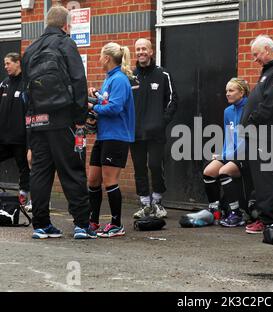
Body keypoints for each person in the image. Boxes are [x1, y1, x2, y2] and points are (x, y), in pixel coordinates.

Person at [22, 6, 96, 239]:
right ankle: (82, 225)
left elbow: (26, 92)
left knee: (40, 173)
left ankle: (41, 225)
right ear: (66, 25)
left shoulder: (30, 49)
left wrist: (30, 128)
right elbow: (78, 81)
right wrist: (80, 119)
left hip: (36, 122)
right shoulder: (66, 44)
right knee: (72, 169)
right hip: (63, 120)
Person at [240, 35, 273, 234]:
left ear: (267, 49)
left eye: (256, 54)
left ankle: (269, 220)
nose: (255, 59)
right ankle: (266, 218)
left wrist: (252, 119)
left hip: (267, 133)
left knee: (267, 178)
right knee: (261, 177)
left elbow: (271, 105)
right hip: (258, 133)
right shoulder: (270, 70)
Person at [87, 42, 135, 238]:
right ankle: (93, 221)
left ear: (107, 58)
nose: (99, 60)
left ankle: (116, 225)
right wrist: (95, 97)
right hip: (104, 135)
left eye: (100, 56)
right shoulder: (109, 79)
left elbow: (114, 108)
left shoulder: (120, 80)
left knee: (110, 181)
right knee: (93, 180)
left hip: (117, 136)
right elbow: (106, 102)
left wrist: (91, 108)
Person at [130, 38, 177, 219]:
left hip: (156, 132)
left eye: (144, 49)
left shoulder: (163, 74)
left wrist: (162, 121)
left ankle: (157, 202)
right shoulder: (130, 76)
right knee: (139, 168)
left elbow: (173, 100)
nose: (141, 52)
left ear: (151, 52)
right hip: (135, 132)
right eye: (138, 49)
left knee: (155, 165)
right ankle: (144, 204)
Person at [203, 78, 251, 227]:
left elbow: (246, 139)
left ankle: (236, 214)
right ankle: (215, 210)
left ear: (241, 92)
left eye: (231, 90)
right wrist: (222, 154)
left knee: (224, 171)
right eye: (226, 91)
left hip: (247, 154)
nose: (227, 94)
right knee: (209, 171)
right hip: (231, 154)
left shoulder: (250, 108)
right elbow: (228, 137)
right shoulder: (228, 111)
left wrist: (230, 156)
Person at [0, 53, 30, 205]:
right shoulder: (4, 84)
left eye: (8, 63)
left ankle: (24, 196)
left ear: (18, 63)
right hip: (3, 136)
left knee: (24, 167)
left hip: (20, 137)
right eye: (5, 64)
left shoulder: (26, 84)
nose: (6, 67)